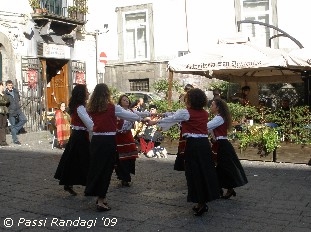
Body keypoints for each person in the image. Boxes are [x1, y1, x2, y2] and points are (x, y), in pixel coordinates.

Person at [147, 88, 220, 216]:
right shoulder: (204, 113)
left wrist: (153, 121)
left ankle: (201, 203)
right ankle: (202, 201)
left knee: (194, 173)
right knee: (204, 172)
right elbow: (174, 116)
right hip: (204, 145)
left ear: (190, 100)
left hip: (194, 145)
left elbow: (173, 119)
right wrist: (162, 115)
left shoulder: (186, 112)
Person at [84, 83, 146, 212]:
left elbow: (90, 124)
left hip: (96, 139)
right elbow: (130, 116)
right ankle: (101, 200)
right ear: (107, 93)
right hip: (108, 140)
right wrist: (143, 118)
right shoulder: (112, 107)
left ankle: (98, 195)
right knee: (106, 169)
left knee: (96, 168)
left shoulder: (91, 107)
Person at [54, 84, 93, 196]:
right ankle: (88, 185)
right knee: (86, 160)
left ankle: (69, 183)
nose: (88, 93)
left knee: (73, 160)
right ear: (82, 94)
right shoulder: (80, 107)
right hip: (80, 137)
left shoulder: (78, 106)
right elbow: (89, 124)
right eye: (86, 91)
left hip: (77, 136)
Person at [207, 98, 248, 199]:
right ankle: (224, 188)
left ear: (218, 107)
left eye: (212, 105)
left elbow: (206, 126)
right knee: (221, 166)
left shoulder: (219, 118)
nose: (210, 107)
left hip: (222, 144)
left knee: (224, 166)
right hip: (219, 144)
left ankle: (225, 188)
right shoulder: (219, 117)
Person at [115, 94, 150, 187]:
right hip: (120, 136)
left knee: (131, 157)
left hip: (128, 135)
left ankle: (127, 176)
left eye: (127, 100)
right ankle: (123, 178)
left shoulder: (131, 110)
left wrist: (153, 114)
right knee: (122, 158)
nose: (126, 101)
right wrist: (142, 119)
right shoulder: (118, 110)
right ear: (120, 102)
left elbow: (140, 114)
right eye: (124, 100)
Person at [5, 80, 28, 144]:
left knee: (24, 119)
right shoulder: (5, 93)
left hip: (18, 109)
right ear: (6, 86)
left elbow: (18, 98)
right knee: (12, 125)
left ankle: (14, 130)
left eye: (11, 85)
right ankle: (15, 140)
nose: (10, 86)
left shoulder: (15, 91)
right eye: (9, 85)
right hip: (10, 111)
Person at [0, 82, 10, 146]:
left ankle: (3, 141)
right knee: (1, 126)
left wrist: (2, 95)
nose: (2, 87)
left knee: (3, 126)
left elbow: (8, 101)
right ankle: (2, 141)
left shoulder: (3, 94)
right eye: (1, 86)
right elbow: (2, 102)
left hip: (4, 112)